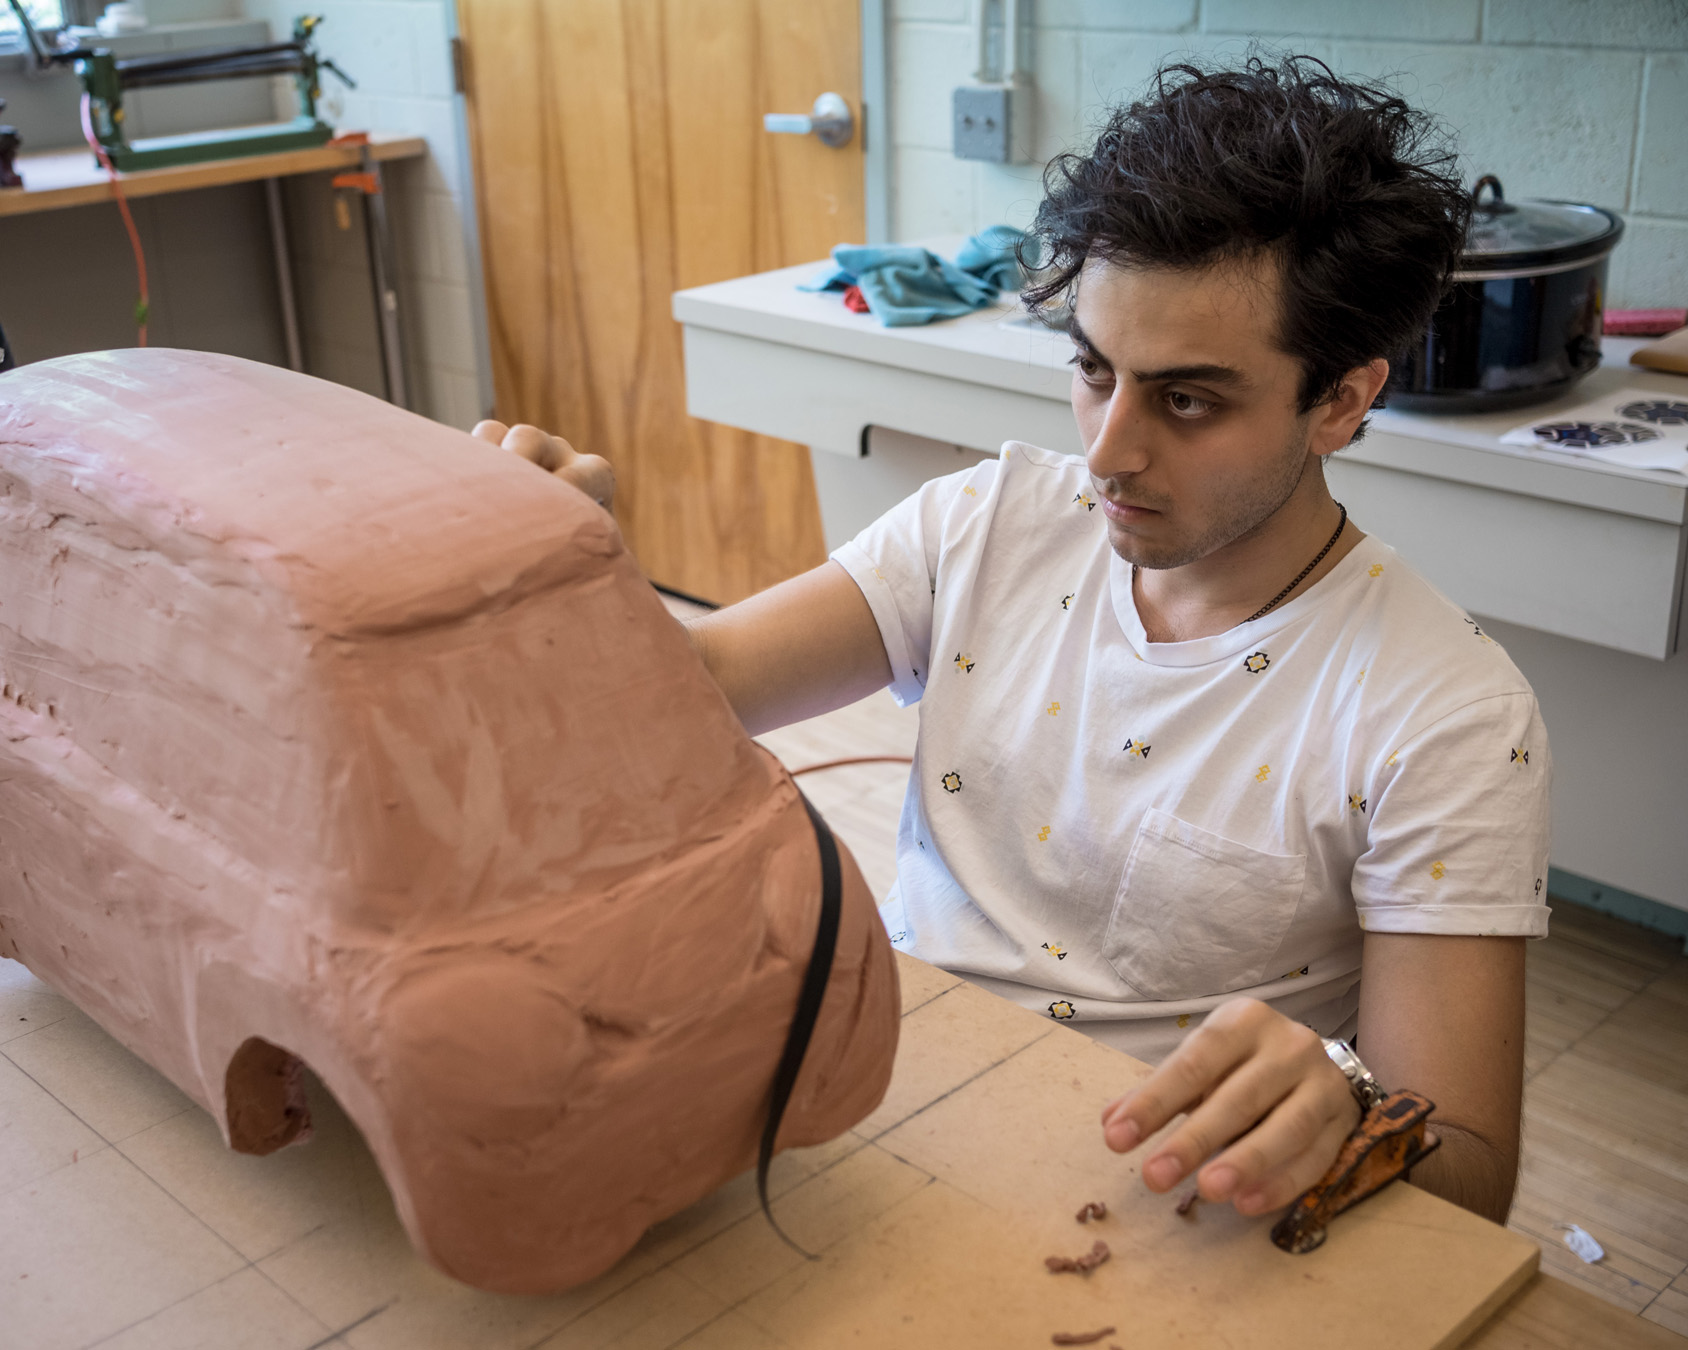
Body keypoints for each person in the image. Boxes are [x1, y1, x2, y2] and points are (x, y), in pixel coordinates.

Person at [473, 55, 1549, 1226]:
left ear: (1340, 400)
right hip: (882, 1097)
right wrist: (569, 589)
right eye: (1093, 369)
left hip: (1151, 1191)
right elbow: (707, 686)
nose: (1107, 453)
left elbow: (1471, 1173)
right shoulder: (989, 522)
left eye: (1188, 399)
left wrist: (1348, 1108)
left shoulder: (1444, 715)